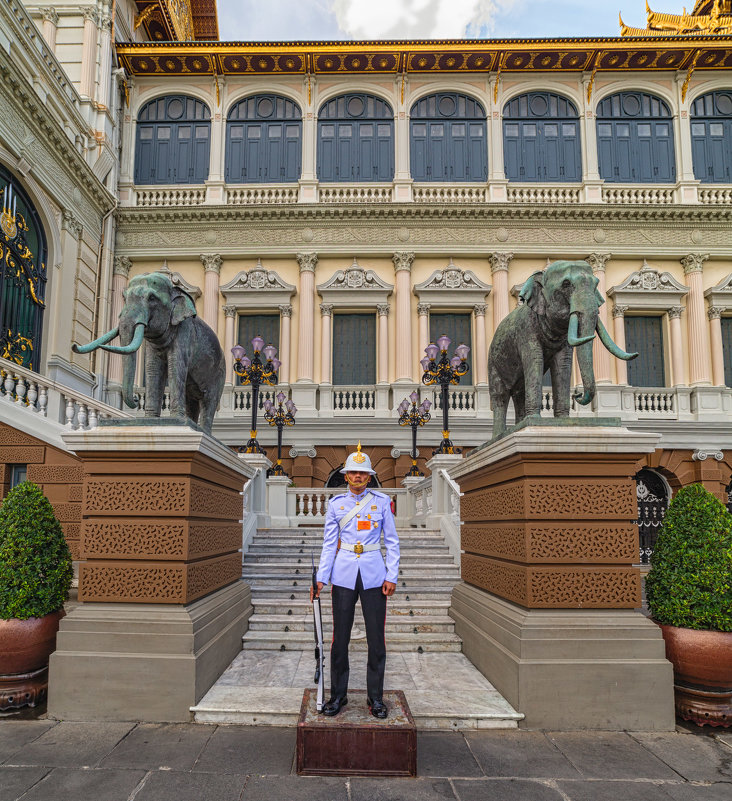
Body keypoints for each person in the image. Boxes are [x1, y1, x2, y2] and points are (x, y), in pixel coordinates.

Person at [310, 443, 400, 719]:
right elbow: (328, 545)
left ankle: (375, 698)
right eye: (353, 473)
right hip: (344, 574)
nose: (358, 477)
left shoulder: (382, 502)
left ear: (369, 477)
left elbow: (393, 543)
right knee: (340, 640)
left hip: (374, 574)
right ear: (346, 475)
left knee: (376, 640)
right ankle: (338, 695)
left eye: (363, 474)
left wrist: (391, 575)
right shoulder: (336, 505)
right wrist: (321, 579)